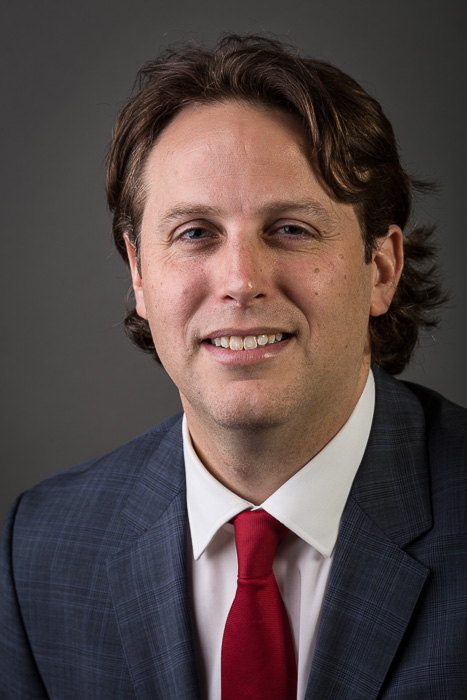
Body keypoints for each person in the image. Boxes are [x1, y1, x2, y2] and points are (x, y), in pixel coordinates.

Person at [1, 34, 466, 700]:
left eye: (291, 229)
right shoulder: (40, 550)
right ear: (139, 274)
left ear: (381, 268)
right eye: (194, 233)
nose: (241, 281)